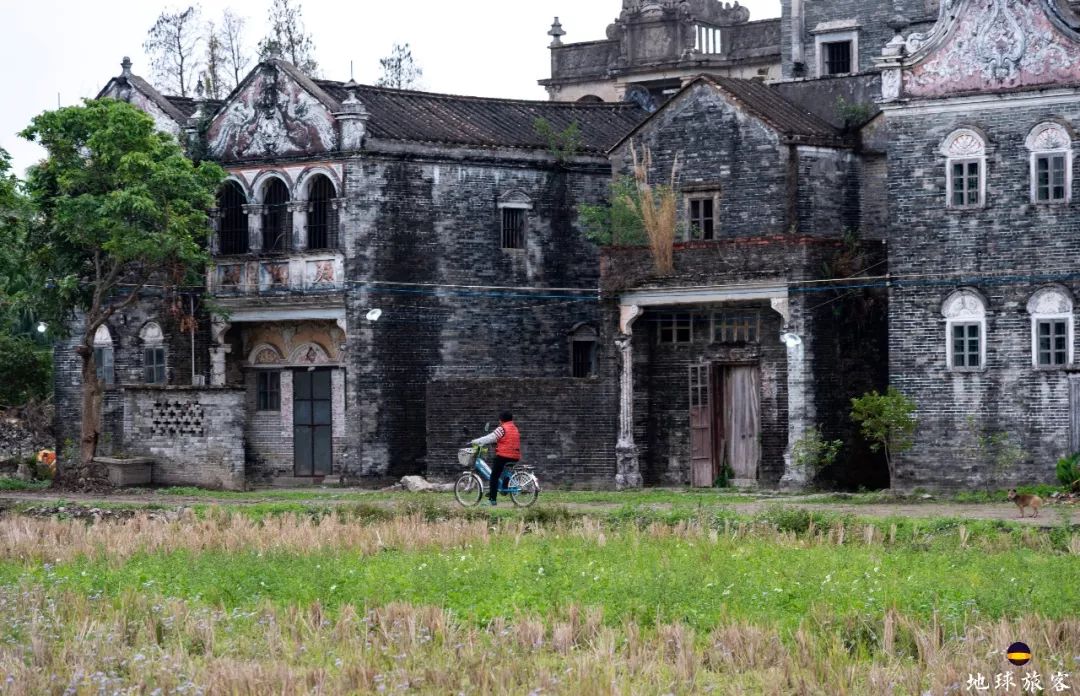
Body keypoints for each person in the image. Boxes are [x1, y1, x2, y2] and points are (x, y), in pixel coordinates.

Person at [470, 411, 521, 506]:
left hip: (504, 456)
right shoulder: (515, 428)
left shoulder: (502, 428)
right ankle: (504, 488)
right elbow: (508, 440)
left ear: (501, 419)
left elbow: (490, 437)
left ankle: (492, 500)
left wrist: (476, 441)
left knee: (494, 476)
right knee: (505, 471)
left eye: (499, 419)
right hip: (515, 456)